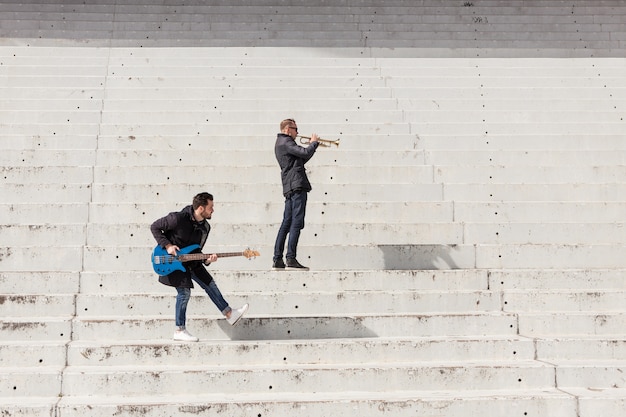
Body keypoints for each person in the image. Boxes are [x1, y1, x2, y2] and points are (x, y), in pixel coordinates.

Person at [150, 192, 249, 342]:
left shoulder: (205, 228)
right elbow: (155, 227)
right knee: (184, 293)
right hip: (171, 261)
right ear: (201, 208)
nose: (213, 210)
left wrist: (208, 260)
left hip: (191, 260)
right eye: (211, 207)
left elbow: (198, 250)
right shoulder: (177, 218)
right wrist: (168, 245)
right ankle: (179, 330)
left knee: (210, 283)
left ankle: (229, 314)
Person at [273, 118, 319, 271]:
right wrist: (313, 143)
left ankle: (278, 259)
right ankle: (291, 258)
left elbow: (302, 158)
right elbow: (304, 152)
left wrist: (312, 147)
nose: (297, 132)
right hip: (297, 186)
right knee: (296, 223)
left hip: (290, 186)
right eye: (295, 129)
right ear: (287, 129)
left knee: (286, 223)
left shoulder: (280, 143)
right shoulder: (286, 142)